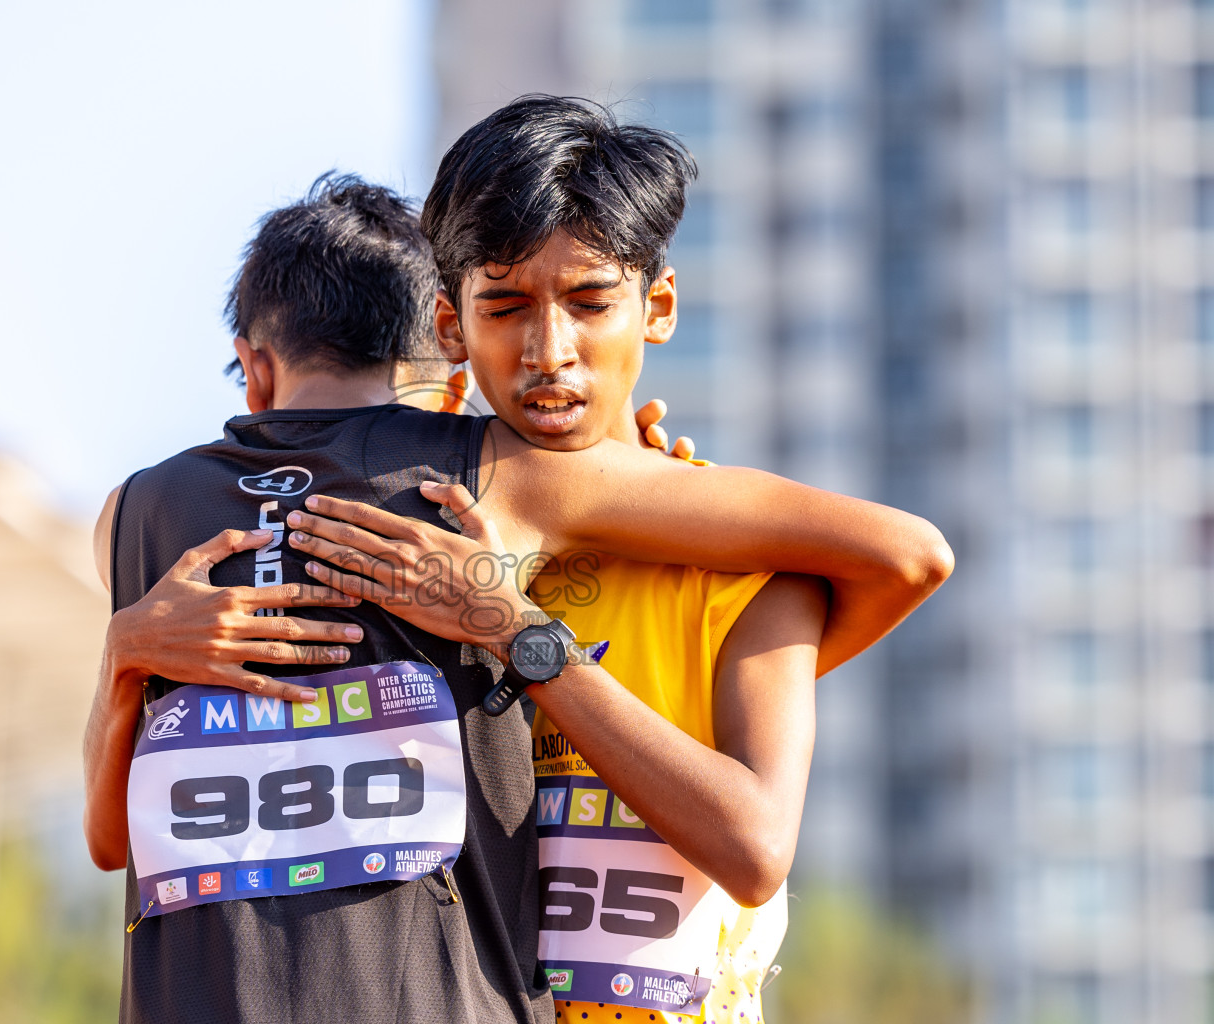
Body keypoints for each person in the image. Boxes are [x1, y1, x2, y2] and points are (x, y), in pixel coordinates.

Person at [83, 175, 950, 1024]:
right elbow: (904, 552)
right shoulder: (503, 473)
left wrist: (123, 654)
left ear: (254, 367)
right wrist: (657, 487)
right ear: (445, 348)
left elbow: (110, 844)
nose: (548, 351)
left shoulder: (134, 517)